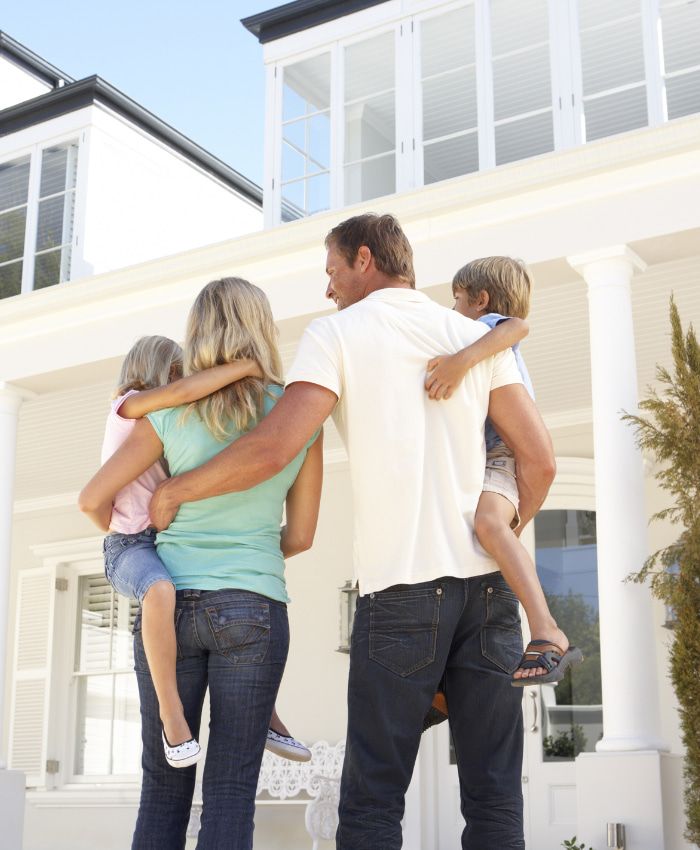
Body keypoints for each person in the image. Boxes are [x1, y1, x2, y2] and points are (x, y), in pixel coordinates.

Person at [143, 214, 556, 850]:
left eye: (332, 271)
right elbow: (540, 460)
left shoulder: (336, 333)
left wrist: (175, 489)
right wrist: (502, 528)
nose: (327, 288)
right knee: (495, 797)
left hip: (400, 597)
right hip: (490, 597)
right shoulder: (469, 334)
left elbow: (275, 446)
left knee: (371, 805)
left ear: (365, 259)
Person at [78, 278, 323, 849]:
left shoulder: (165, 417)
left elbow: (97, 498)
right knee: (232, 790)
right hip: (254, 608)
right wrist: (255, 553)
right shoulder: (295, 417)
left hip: (172, 605)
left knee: (163, 788)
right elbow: (305, 535)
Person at [424, 257, 583, 688]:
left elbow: (518, 326)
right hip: (489, 454)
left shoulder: (488, 330)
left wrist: (459, 361)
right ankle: (447, 680)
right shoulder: (481, 334)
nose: (452, 310)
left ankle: (548, 630)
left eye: (456, 300)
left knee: (490, 525)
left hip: (504, 453)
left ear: (481, 300)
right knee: (480, 546)